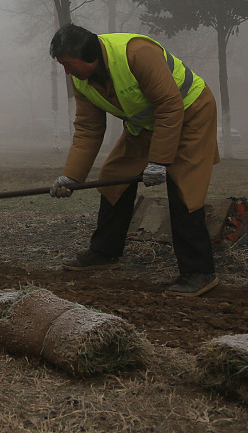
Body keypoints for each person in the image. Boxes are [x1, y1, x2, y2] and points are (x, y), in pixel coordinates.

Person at [48, 24, 220, 297]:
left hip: (190, 113)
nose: (66, 72)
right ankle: (104, 252)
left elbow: (169, 105)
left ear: (88, 56)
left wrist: (160, 162)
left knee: (184, 187)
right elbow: (88, 128)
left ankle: (199, 272)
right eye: (62, 65)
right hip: (148, 125)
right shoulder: (81, 79)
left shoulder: (137, 53)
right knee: (113, 177)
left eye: (68, 64)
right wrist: (72, 176)